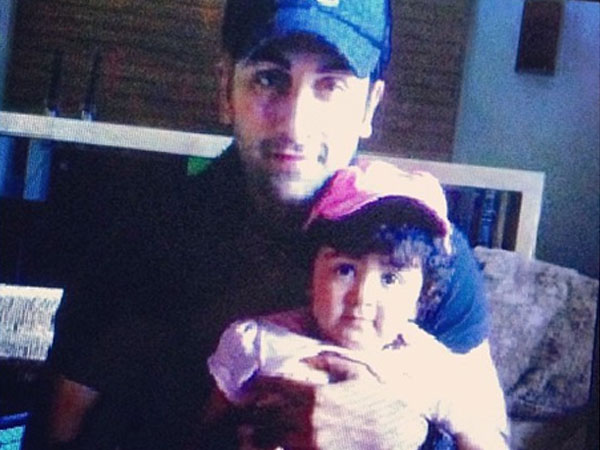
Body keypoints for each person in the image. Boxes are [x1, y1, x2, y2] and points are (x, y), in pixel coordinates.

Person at [22, 0, 503, 449]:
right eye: (269, 80)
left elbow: (488, 433)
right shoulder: (143, 239)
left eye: (331, 85)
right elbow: (54, 433)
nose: (295, 124)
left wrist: (411, 428)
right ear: (225, 90)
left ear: (369, 108)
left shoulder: (421, 250)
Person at [202, 161, 509, 449]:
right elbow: (208, 430)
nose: (362, 297)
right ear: (311, 277)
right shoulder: (259, 341)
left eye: (390, 279)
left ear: (419, 300)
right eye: (345, 270)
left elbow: (481, 436)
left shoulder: (429, 366)